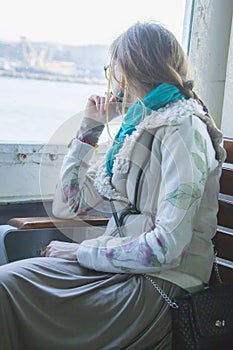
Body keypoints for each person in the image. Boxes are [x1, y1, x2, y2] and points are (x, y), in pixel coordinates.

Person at [0, 21, 226, 350]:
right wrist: (90, 130)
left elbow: (168, 247)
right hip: (119, 269)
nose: (112, 78)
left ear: (131, 69)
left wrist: (82, 251)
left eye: (114, 68)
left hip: (160, 286)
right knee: (7, 282)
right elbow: (69, 205)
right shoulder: (137, 130)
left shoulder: (184, 130)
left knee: (8, 289)